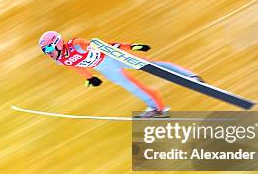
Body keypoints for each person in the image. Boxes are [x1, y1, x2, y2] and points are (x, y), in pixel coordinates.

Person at [38, 31, 203, 118]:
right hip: (104, 69)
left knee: (152, 65)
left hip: (111, 57)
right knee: (131, 86)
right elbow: (75, 66)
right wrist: (90, 78)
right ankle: (158, 108)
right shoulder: (60, 60)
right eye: (46, 51)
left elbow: (104, 45)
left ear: (58, 43)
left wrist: (131, 46)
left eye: (50, 49)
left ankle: (190, 77)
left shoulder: (76, 44)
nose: (49, 53)